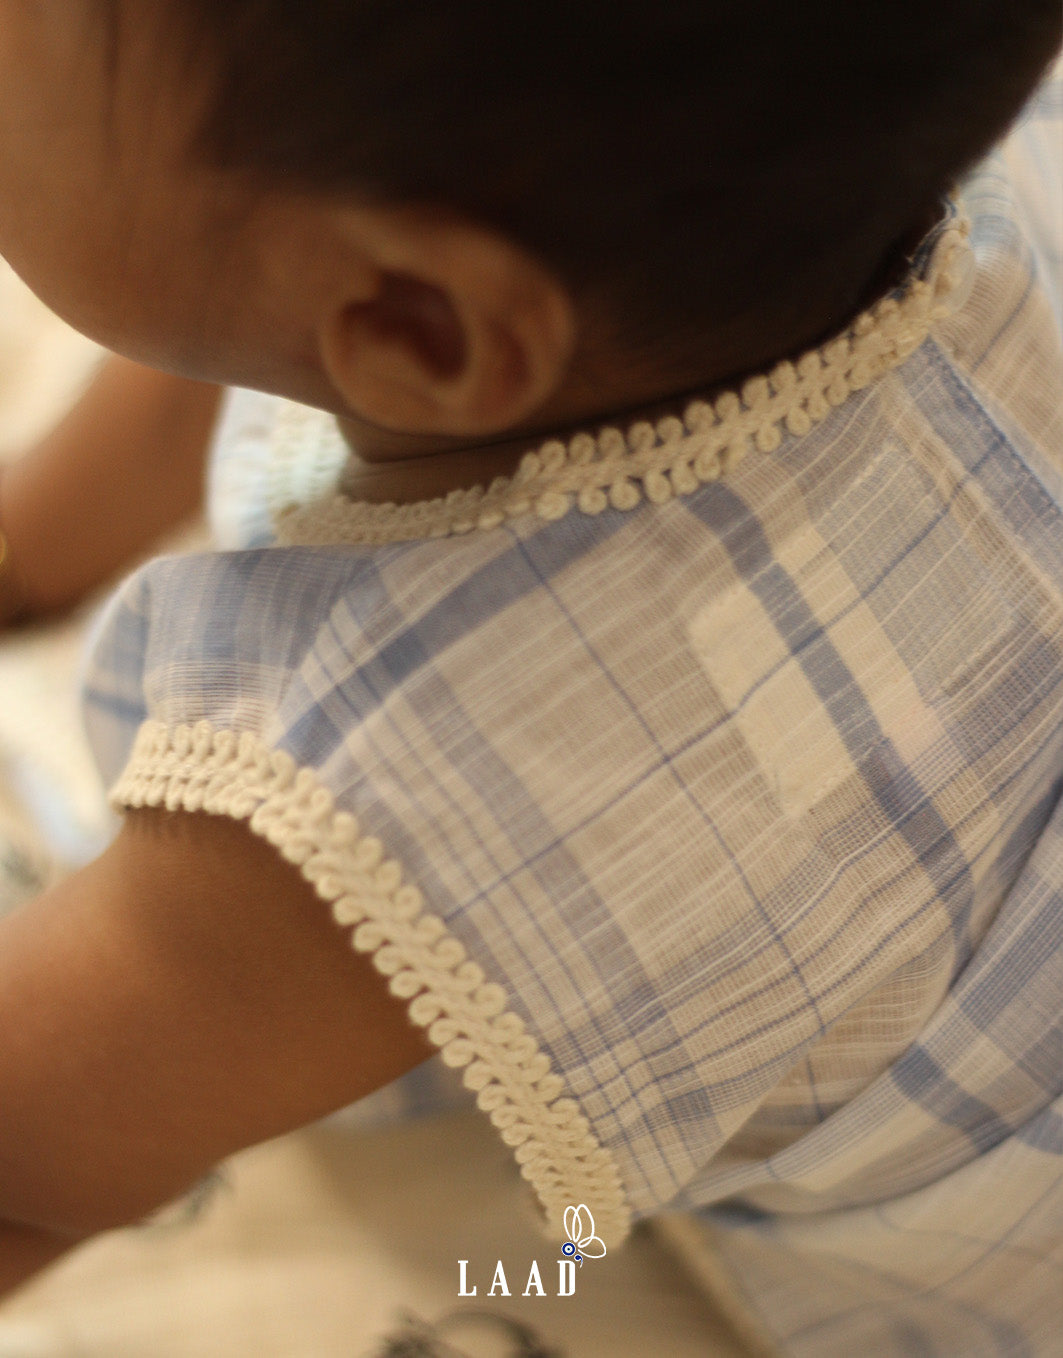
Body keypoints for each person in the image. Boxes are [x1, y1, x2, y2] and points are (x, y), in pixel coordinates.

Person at [0, 3, 1060, 1351]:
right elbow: (216, 324)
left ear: (420, 328)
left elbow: (36, 1122)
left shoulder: (416, 785)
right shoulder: (825, 168)